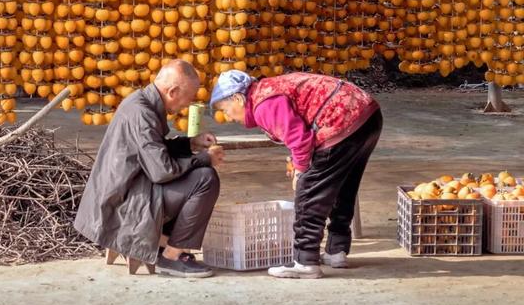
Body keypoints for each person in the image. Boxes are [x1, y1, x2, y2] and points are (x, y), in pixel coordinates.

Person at [210, 69, 382, 279]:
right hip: (366, 115)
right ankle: (336, 251)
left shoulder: (263, 103)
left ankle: (305, 260)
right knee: (343, 186)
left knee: (309, 192)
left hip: (341, 119)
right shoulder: (267, 91)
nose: (227, 117)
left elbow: (300, 140)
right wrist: (298, 161)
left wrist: (300, 172)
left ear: (238, 97)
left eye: (225, 109)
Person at [75, 60, 224, 278]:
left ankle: (167, 244)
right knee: (205, 178)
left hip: (128, 191)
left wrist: (190, 143)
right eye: (188, 97)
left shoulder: (141, 102)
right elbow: (161, 170)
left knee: (196, 170)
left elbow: (154, 149)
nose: (188, 104)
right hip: (122, 204)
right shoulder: (141, 113)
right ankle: (171, 257)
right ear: (172, 91)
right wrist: (204, 159)